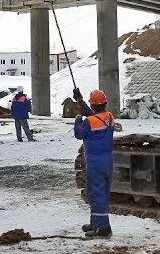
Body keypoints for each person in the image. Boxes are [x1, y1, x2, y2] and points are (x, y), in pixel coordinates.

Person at [73, 88, 114, 238]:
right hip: (107, 160)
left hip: (95, 162)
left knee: (97, 194)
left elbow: (79, 133)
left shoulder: (89, 122)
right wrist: (81, 101)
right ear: (105, 103)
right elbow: (94, 116)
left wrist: (78, 117)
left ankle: (103, 229)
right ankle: (96, 222)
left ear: (94, 105)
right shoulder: (109, 117)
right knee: (98, 191)